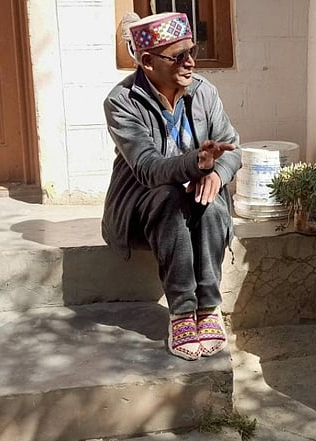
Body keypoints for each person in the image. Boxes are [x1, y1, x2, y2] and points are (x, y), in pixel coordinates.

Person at [102, 12, 241, 361]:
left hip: (196, 199)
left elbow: (230, 147)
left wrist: (215, 173)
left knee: (210, 201)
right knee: (169, 196)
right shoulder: (121, 102)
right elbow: (148, 169)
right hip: (145, 208)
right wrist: (196, 162)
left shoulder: (205, 92)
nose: (191, 62)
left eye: (192, 51)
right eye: (178, 56)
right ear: (148, 62)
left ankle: (208, 307)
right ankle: (181, 311)